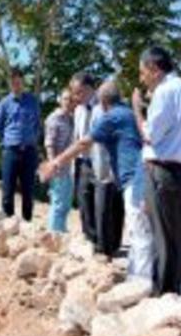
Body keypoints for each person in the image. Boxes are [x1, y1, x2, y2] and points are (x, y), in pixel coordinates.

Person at [40, 81, 151, 281]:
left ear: (103, 101)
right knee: (140, 231)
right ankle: (139, 277)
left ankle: (140, 282)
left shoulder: (112, 117)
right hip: (142, 175)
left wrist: (56, 162)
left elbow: (84, 142)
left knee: (139, 233)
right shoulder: (126, 113)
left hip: (134, 179)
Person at [132, 46, 181, 299]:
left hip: (162, 172)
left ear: (154, 68)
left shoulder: (164, 92)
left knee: (162, 243)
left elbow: (150, 135)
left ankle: (165, 303)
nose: (142, 78)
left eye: (143, 72)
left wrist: (138, 111)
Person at [0, 68, 41, 221]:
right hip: (11, 151)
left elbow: (37, 125)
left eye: (19, 82)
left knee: (28, 192)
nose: (16, 85)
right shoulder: (4, 103)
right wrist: (8, 141)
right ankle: (8, 224)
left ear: (23, 82)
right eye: (13, 82)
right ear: (10, 84)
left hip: (29, 152)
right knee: (7, 192)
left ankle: (27, 224)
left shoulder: (32, 101)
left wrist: (32, 140)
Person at [90, 100, 124, 258]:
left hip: (116, 168)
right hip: (103, 167)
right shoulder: (97, 111)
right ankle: (105, 248)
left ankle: (112, 246)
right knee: (103, 208)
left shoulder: (121, 113)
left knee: (115, 208)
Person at [69, 72, 99, 245]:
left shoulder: (102, 107)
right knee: (83, 201)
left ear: (89, 89)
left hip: (99, 162)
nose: (75, 96)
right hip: (81, 161)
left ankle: (102, 242)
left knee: (100, 204)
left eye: (78, 92)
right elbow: (76, 137)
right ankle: (88, 239)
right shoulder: (79, 109)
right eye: (73, 92)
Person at [44, 89, 76, 232]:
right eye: (65, 99)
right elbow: (49, 143)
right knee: (57, 202)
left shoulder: (70, 118)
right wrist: (52, 165)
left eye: (70, 99)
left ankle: (60, 231)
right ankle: (54, 234)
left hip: (68, 167)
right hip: (57, 167)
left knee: (65, 203)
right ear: (60, 100)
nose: (68, 102)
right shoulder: (54, 118)